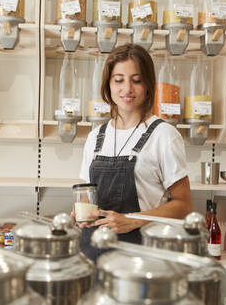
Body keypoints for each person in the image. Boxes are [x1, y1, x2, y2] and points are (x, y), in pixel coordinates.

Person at [77, 43, 192, 262]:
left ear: (148, 85)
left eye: (136, 80)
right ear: (108, 85)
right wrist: (81, 212)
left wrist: (133, 219)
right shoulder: (95, 137)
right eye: (118, 80)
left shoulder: (164, 135)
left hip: (141, 258)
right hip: (93, 253)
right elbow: (85, 192)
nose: (127, 89)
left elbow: (183, 206)